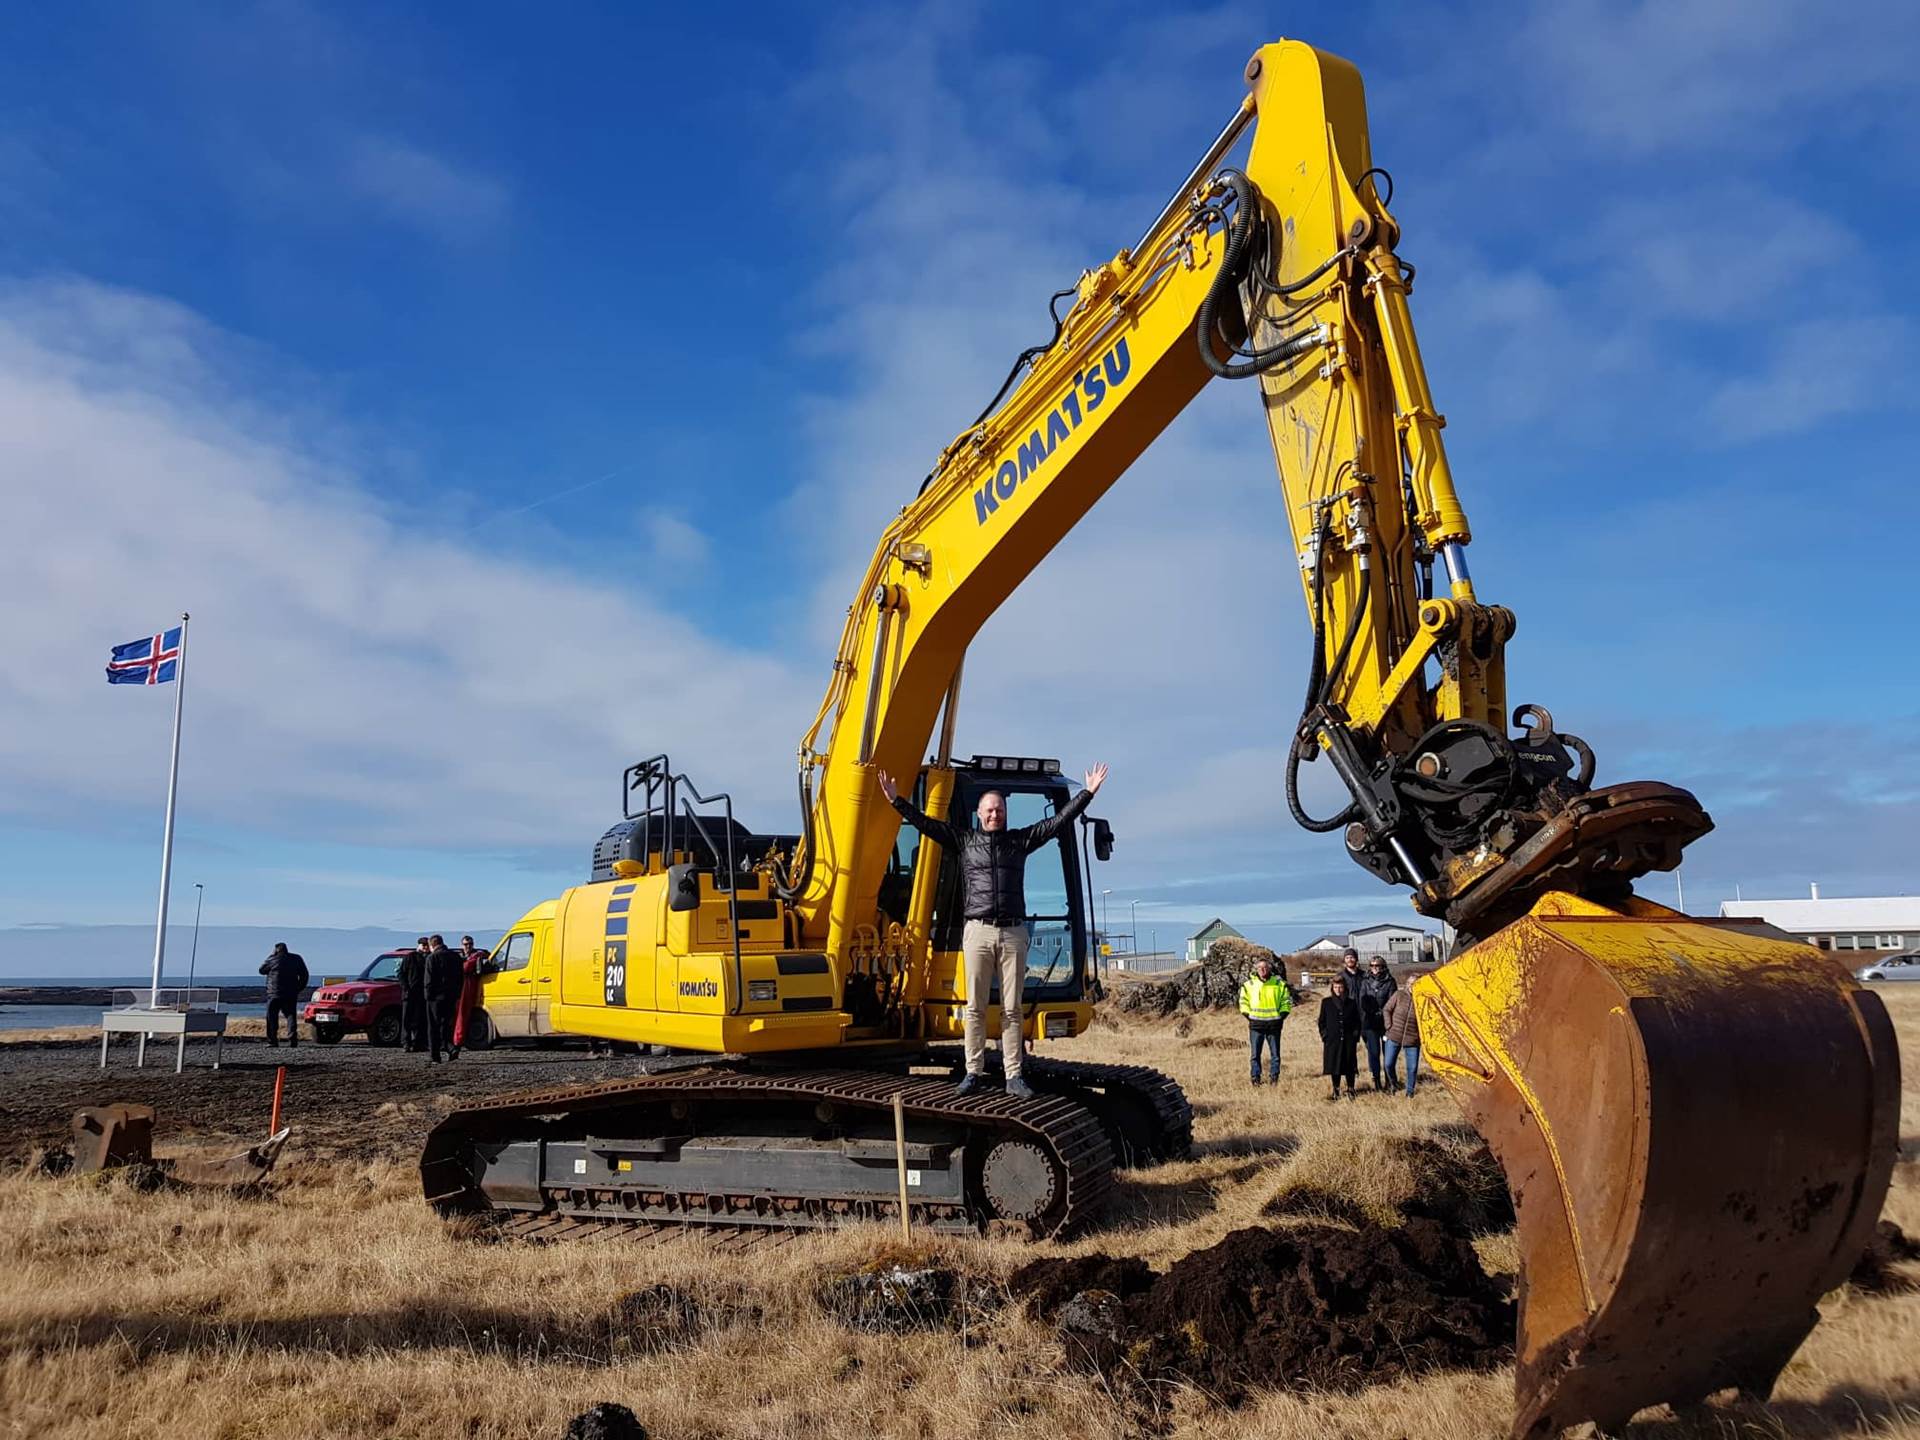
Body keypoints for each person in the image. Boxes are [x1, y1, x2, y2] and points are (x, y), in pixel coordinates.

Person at [879, 762, 1109, 1100]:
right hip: (978, 933)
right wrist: (897, 802)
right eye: (989, 810)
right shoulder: (964, 840)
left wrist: (1087, 793)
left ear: (1005, 813)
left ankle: (1014, 1075)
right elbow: (927, 826)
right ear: (979, 813)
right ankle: (973, 1072)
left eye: (999, 810)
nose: (994, 815)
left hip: (1013, 934)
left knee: (1012, 1009)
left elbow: (1056, 822)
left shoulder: (1019, 841)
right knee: (975, 1007)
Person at [1238, 955, 1292, 1085]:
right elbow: (1243, 1002)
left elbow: (1286, 1002)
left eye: (1265, 967)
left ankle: (1274, 1078)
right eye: (1260, 967)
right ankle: (1256, 1078)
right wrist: (1248, 1015)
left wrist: (1282, 1016)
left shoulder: (1279, 984)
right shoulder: (1248, 985)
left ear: (1270, 969)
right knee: (1255, 1055)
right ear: (1256, 969)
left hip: (1274, 1024)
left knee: (1275, 1055)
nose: (1262, 970)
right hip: (1256, 1025)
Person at [1318, 972, 1362, 1101]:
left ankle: (1351, 1088)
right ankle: (1336, 1090)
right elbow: (1322, 1021)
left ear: (1344, 988)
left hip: (1349, 1040)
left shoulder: (1351, 1003)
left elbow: (1357, 1021)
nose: (1338, 990)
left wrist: (1355, 1036)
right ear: (1332, 988)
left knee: (1349, 1065)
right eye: (1336, 987)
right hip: (1332, 1040)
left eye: (1340, 987)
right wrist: (1324, 1035)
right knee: (1334, 1066)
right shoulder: (1326, 1002)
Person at [1356, 954, 1398, 1091]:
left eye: (1377, 965)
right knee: (1374, 1053)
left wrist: (1383, 1012)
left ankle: (1390, 1080)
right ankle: (1377, 1082)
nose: (1375, 968)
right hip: (1370, 1022)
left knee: (1388, 1054)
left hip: (1386, 1023)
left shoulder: (1390, 981)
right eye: (1372, 965)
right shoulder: (1365, 981)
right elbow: (1363, 999)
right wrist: (1372, 1011)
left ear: (1383, 966)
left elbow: (1392, 1000)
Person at [259, 942, 309, 1048]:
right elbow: (304, 975)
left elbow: (262, 970)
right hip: (290, 993)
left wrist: (271, 955)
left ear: (276, 950)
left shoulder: (272, 959)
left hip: (274, 993)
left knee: (271, 1018)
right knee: (291, 1016)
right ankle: (292, 1039)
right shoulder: (296, 958)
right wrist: (299, 988)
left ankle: (272, 1041)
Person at [425, 934, 465, 1062]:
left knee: (433, 1027)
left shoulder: (432, 958)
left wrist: (428, 996)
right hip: (451, 996)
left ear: (432, 945)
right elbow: (460, 977)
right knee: (447, 1025)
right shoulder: (455, 957)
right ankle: (450, 1047)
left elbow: (429, 980)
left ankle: (435, 1055)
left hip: (435, 998)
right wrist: (457, 993)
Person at [452, 935, 491, 1051]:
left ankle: (458, 1040)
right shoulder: (461, 956)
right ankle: (457, 1039)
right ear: (461, 945)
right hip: (460, 988)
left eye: (470, 944)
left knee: (463, 1015)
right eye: (465, 944)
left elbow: (466, 967)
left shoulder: (476, 956)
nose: (468, 946)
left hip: (468, 987)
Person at [1382, 982, 1421, 1098]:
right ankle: (1394, 1083)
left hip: (1412, 1038)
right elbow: (1387, 1009)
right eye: (1410, 983)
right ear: (1407, 984)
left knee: (1412, 1068)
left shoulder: (1422, 999)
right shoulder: (1399, 995)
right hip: (1394, 1035)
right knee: (1388, 1064)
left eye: (1416, 983)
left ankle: (1410, 1092)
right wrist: (1389, 1026)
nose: (1412, 985)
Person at [399, 937, 430, 1052]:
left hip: (422, 994)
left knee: (421, 1019)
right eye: (423, 945)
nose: (425, 947)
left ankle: (419, 1043)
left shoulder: (429, 958)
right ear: (419, 945)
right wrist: (405, 987)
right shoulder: (410, 957)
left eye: (427, 945)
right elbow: (401, 974)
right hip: (409, 993)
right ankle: (406, 1042)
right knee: (407, 1019)